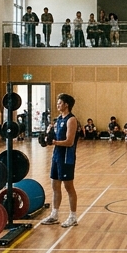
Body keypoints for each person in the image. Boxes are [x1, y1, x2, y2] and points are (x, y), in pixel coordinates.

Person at [42, 93, 80, 228]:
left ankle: (73, 217)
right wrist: (47, 136)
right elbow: (53, 137)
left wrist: (54, 142)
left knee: (69, 187)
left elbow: (69, 142)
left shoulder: (71, 120)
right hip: (57, 156)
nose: (57, 105)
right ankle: (54, 215)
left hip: (66, 157)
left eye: (60, 103)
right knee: (55, 186)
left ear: (66, 105)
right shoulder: (58, 119)